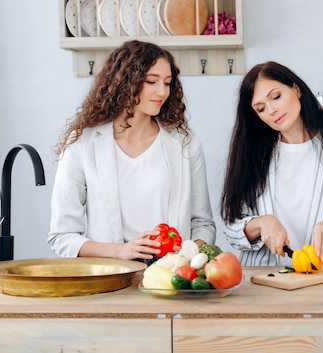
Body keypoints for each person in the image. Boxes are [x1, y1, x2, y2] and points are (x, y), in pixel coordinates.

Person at [48, 40, 216, 261]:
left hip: (172, 278)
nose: (162, 92)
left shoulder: (185, 143)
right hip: (111, 277)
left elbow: (203, 225)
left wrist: (187, 254)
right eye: (151, 81)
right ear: (125, 82)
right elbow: (62, 236)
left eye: (167, 82)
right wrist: (121, 251)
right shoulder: (81, 144)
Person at [221, 61, 323, 266]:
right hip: (262, 280)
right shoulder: (251, 153)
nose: (272, 110)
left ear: (296, 89)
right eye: (261, 108)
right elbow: (231, 226)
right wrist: (262, 224)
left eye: (276, 97)